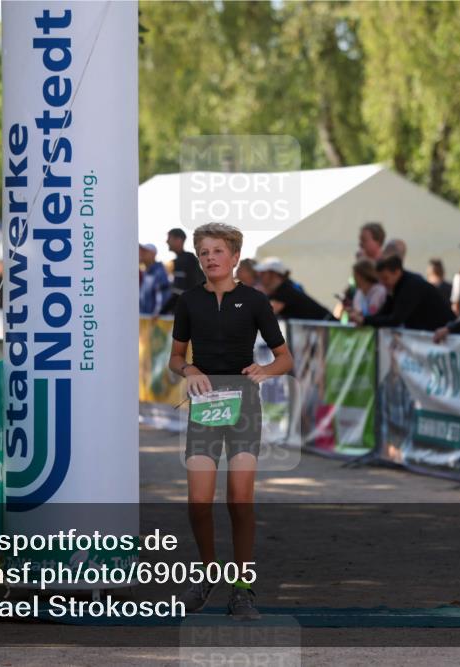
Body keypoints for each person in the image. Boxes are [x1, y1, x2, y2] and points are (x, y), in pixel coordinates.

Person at [169, 222, 293, 621]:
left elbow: (285, 358)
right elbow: (175, 358)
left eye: (217, 251)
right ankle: (207, 575)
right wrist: (189, 372)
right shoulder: (189, 301)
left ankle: (242, 589)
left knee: (240, 499)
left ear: (235, 257)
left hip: (244, 404)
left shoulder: (255, 301)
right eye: (203, 253)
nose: (210, 259)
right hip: (205, 406)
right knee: (198, 503)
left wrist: (265, 371)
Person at [351, 254, 454, 330]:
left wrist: (365, 320)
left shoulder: (410, 286)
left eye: (385, 278)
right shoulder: (395, 287)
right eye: (380, 280)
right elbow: (385, 311)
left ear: (397, 272)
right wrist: (364, 319)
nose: (383, 283)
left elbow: (395, 319)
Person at [256, 258, 334, 321]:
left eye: (263, 273)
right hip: (323, 328)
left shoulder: (285, 290)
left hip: (330, 327)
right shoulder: (283, 287)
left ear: (274, 274)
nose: (259, 276)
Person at [162, 228, 206, 314]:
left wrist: (161, 313)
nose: (166, 241)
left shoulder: (185, 261)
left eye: (169, 238)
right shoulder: (187, 259)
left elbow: (179, 293)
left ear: (179, 240)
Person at [139, 243, 171, 316]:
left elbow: (163, 296)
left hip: (154, 321)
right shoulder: (146, 272)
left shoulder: (159, 272)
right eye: (141, 251)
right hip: (145, 319)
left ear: (153, 254)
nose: (141, 253)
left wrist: (158, 314)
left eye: (145, 251)